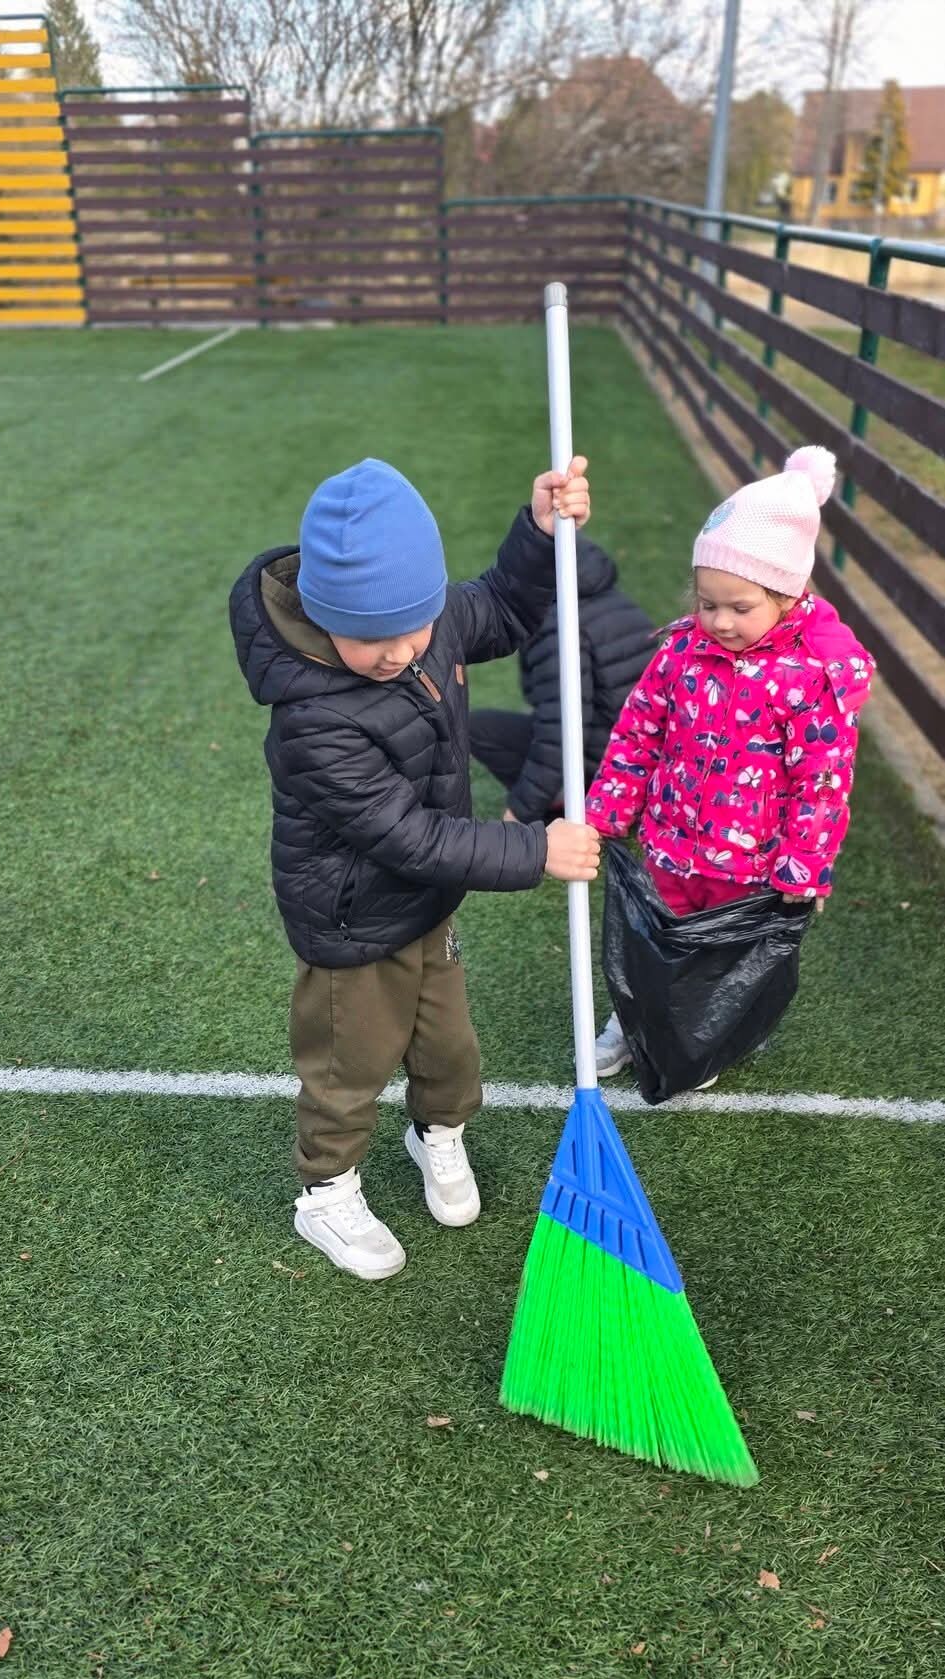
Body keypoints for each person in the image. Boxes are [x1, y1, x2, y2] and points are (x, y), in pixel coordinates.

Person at [230, 456, 600, 1281]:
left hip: (428, 907)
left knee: (450, 1053)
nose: (398, 653)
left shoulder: (427, 621)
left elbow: (503, 605)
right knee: (348, 1068)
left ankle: (438, 1132)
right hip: (354, 924)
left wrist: (539, 533)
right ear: (324, 617)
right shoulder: (312, 722)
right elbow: (407, 837)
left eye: (414, 629)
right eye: (370, 638)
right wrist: (535, 850)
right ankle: (326, 1193)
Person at [585, 445, 874, 1082]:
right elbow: (639, 731)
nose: (719, 621)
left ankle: (699, 1036)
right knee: (654, 938)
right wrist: (608, 808)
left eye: (740, 608)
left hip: (749, 863)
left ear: (787, 596)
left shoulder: (810, 679)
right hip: (671, 841)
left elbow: (822, 783)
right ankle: (632, 1024)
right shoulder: (681, 652)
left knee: (719, 957)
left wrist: (804, 864)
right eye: (708, 603)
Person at [468, 534, 655, 824]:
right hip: (645, 760)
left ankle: (566, 804)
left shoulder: (558, 624)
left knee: (476, 729)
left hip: (609, 765)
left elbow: (562, 731)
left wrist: (519, 812)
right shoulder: (617, 600)